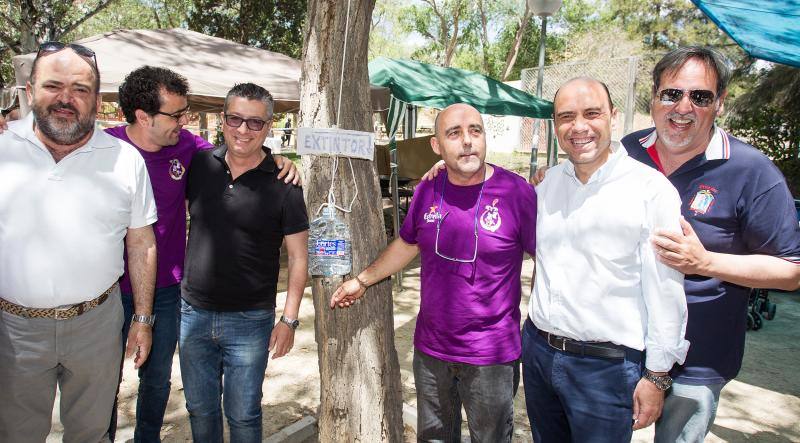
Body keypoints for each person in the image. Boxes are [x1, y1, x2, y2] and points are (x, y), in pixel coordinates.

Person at [102, 65, 299, 442]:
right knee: (105, 383)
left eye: (185, 112)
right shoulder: (105, 149)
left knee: (157, 380)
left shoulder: (188, 148)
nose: (185, 120)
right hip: (108, 288)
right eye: (176, 114)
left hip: (169, 290)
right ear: (144, 116)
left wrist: (280, 162)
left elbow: (239, 154)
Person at [620, 47, 800, 442]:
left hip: (699, 360)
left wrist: (705, 263)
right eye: (672, 93)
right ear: (654, 97)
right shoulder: (626, 153)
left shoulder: (751, 171)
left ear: (719, 103)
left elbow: (790, 271)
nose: (683, 107)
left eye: (699, 96)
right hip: (622, 345)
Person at [331, 103, 537, 442]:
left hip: (491, 356)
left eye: (475, 130)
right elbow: (408, 243)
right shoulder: (429, 187)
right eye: (454, 133)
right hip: (431, 353)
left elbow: (545, 256)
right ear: (437, 146)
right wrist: (362, 280)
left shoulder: (516, 193)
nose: (467, 141)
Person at [0, 42, 156, 442]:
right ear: (30, 91)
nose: (66, 98)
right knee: (16, 434)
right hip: (11, 328)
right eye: (54, 85)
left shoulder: (125, 159)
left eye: (81, 89)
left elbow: (141, 243)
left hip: (98, 326)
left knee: (91, 432)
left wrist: (141, 319)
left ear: (96, 99)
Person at [520, 77, 690, 442]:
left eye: (591, 113)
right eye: (566, 117)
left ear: (614, 116)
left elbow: (666, 292)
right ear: (555, 126)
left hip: (606, 369)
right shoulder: (547, 184)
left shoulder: (651, 190)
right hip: (538, 354)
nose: (578, 127)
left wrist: (657, 376)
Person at [179, 83, 309, 442]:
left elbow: (299, 257)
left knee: (243, 415)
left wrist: (289, 320)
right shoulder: (200, 166)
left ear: (269, 126)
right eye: (235, 119)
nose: (243, 130)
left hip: (251, 321)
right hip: (194, 313)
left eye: (255, 123)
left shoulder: (284, 183)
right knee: (199, 409)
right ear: (223, 120)